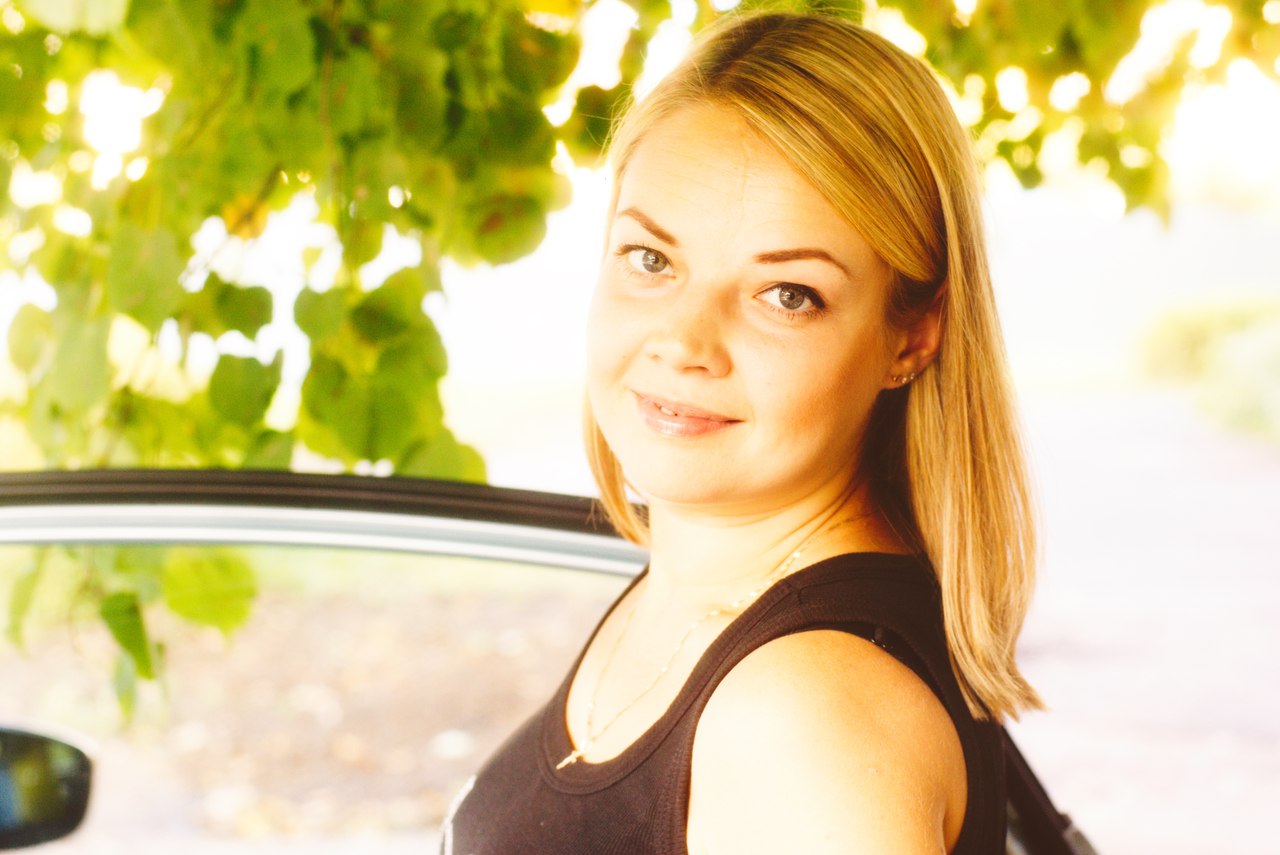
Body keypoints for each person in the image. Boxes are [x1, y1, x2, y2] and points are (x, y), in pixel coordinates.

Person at [442, 10, 1041, 854]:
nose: (684, 342)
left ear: (911, 336)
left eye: (786, 294)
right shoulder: (701, 590)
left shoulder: (808, 720)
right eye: (651, 259)